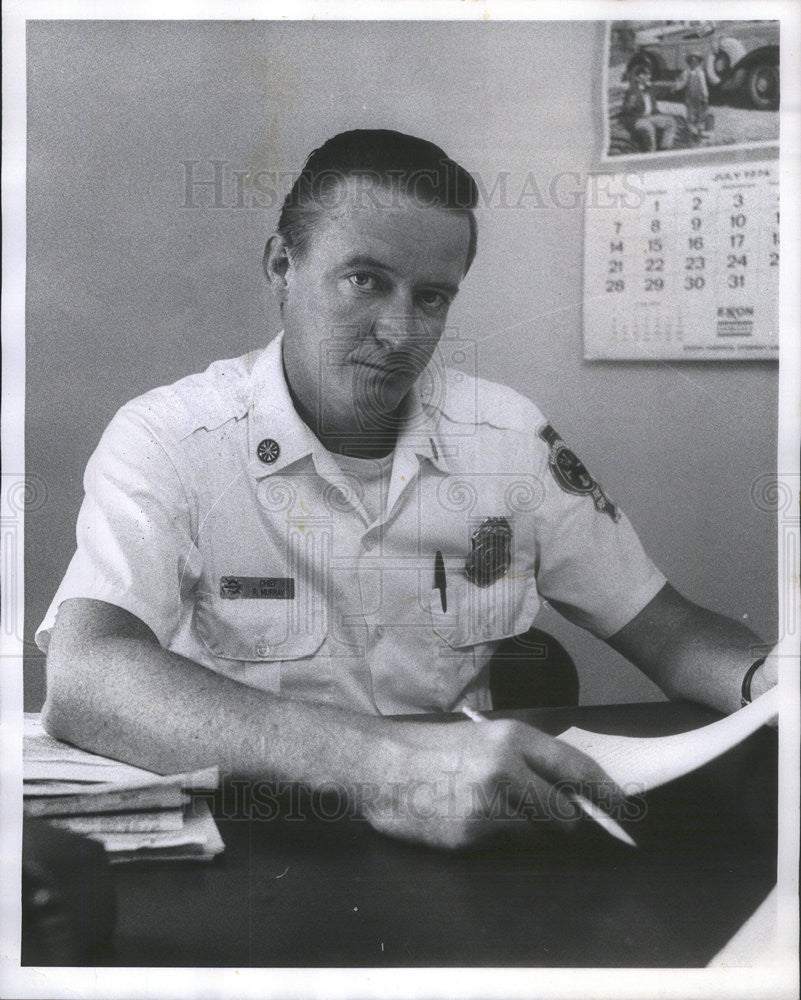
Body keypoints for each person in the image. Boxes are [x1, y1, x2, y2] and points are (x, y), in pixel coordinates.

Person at [39, 129, 776, 850]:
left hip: (464, 837)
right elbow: (87, 676)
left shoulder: (507, 440)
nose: (398, 332)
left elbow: (668, 630)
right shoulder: (170, 438)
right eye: (365, 280)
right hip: (250, 846)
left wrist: (768, 681)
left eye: (431, 298)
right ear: (280, 268)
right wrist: (382, 766)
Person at [621, 65, 677, 152]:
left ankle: (665, 149)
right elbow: (626, 110)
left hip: (650, 117)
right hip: (637, 119)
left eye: (649, 74)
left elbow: (661, 86)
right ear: (638, 77)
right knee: (648, 127)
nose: (649, 77)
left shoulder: (649, 89)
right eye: (646, 75)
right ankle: (651, 152)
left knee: (671, 121)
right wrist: (631, 103)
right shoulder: (632, 91)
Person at [672, 51, 711, 141]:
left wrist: (705, 96)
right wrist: (676, 87)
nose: (694, 63)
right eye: (692, 61)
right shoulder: (686, 72)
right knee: (691, 115)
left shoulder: (701, 73)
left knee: (701, 115)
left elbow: (703, 85)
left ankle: (699, 133)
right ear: (689, 62)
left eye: (696, 61)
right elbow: (682, 83)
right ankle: (692, 134)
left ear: (698, 62)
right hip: (689, 98)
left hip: (699, 97)